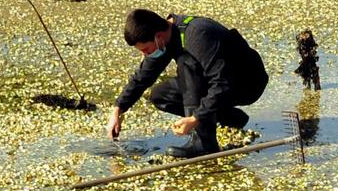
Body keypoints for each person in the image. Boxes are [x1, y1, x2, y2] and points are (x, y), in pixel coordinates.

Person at [107, 9, 268, 158]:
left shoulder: (197, 35)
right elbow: (142, 77)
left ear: (158, 36)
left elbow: (221, 82)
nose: (145, 55)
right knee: (160, 95)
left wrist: (195, 118)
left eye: (146, 50)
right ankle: (230, 117)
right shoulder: (166, 39)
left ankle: (203, 143)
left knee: (187, 64)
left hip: (246, 82)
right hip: (219, 83)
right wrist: (118, 108)